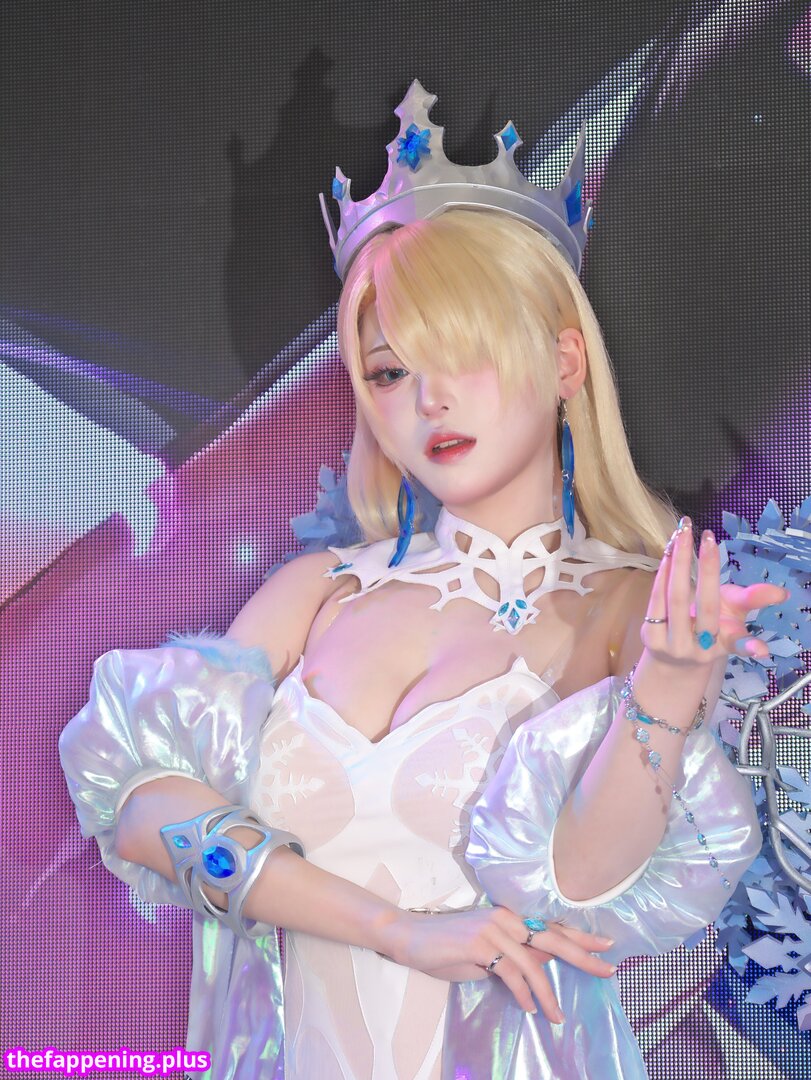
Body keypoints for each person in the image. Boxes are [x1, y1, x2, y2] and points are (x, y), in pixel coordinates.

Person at [59, 80, 780, 1079]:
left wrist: (666, 684)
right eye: (391, 371)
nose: (429, 399)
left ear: (564, 362)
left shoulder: (632, 606)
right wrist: (392, 929)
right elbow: (143, 808)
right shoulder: (318, 592)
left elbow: (584, 880)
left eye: (463, 352)